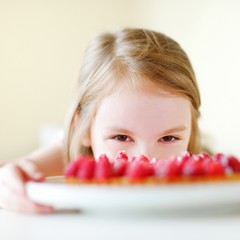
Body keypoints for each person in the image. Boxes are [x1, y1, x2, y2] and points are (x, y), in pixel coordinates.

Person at [0, 27, 203, 213]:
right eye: (121, 137)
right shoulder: (73, 156)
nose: (145, 161)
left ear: (192, 130)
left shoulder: (207, 169)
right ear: (84, 128)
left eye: (168, 138)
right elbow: (9, 176)